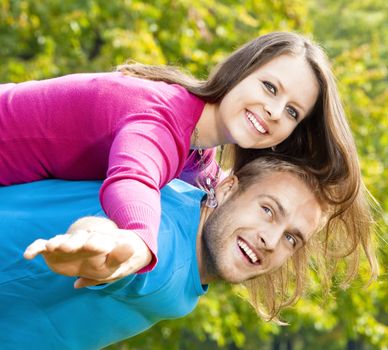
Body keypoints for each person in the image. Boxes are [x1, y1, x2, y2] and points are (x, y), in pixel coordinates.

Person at [0, 31, 362, 280]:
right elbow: (134, 177)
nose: (274, 111)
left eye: (292, 112)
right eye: (269, 88)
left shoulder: (198, 150)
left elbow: (214, 183)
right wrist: (140, 241)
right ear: (239, 72)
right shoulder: (163, 120)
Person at [0, 155, 376, 349]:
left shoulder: (181, 189)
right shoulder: (169, 256)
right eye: (267, 210)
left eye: (293, 238)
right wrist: (97, 244)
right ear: (228, 189)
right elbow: (128, 242)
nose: (272, 240)